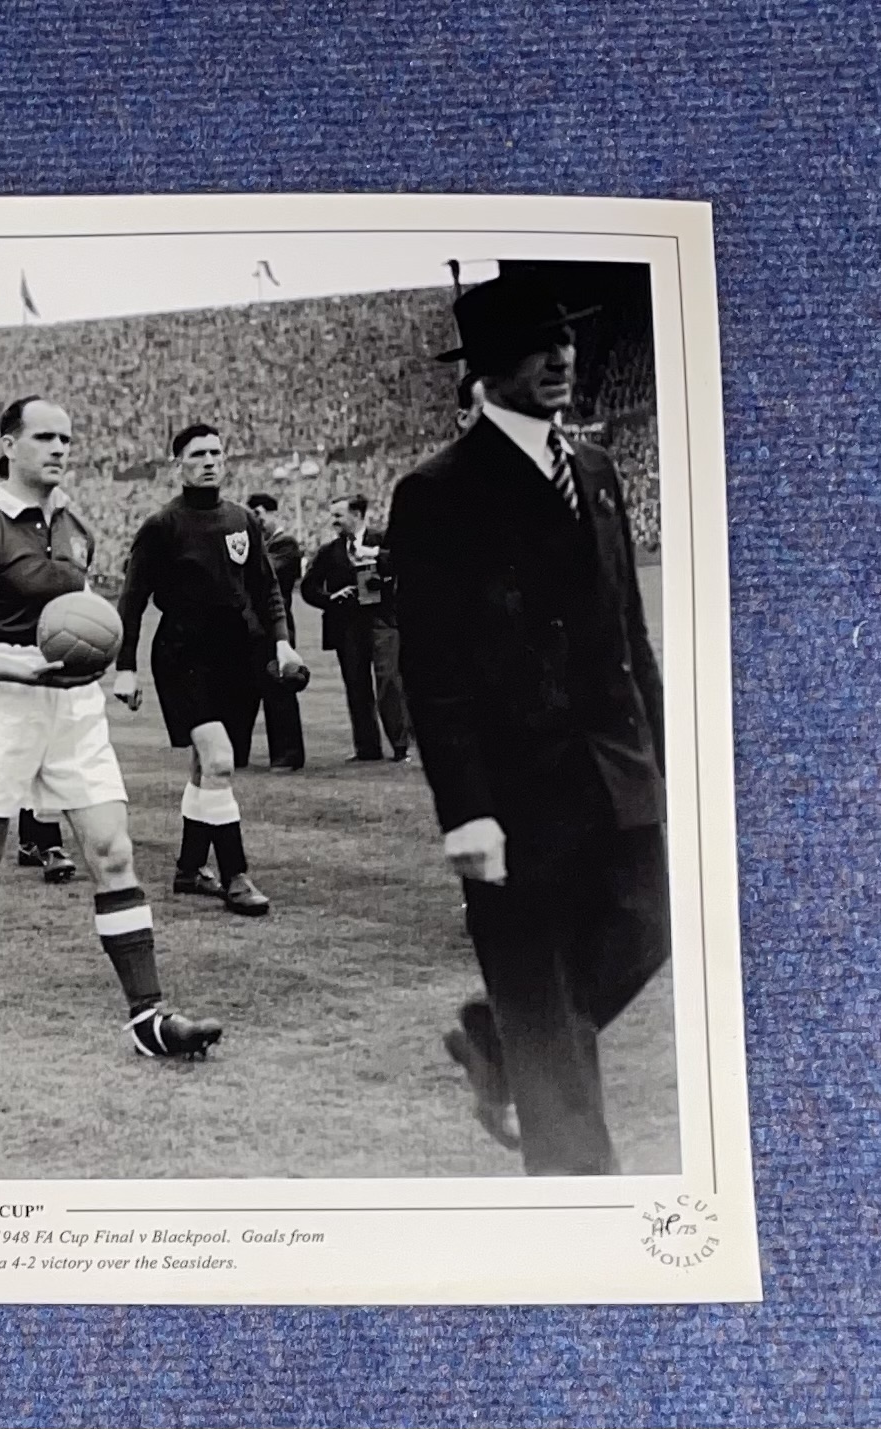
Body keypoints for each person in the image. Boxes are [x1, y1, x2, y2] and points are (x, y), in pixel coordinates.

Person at [387, 273, 666, 1176]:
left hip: (619, 771)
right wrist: (465, 810)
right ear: (484, 370)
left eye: (568, 341)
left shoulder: (594, 469)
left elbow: (629, 632)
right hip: (516, 791)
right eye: (533, 346)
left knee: (657, 925)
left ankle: (499, 1040)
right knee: (547, 1012)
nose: (560, 358)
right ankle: (582, 1210)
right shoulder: (438, 491)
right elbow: (432, 668)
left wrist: (669, 760)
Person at [0, 395, 222, 1058]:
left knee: (113, 850)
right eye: (44, 437)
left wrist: (88, 656)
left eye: (66, 438)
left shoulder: (75, 525)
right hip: (1, 700)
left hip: (74, 703)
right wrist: (25, 670)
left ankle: (149, 1018)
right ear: (9, 445)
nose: (60, 448)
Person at [113, 424, 303, 915]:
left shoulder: (242, 519)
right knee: (218, 760)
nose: (209, 460)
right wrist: (126, 668)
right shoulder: (162, 526)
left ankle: (189, 867)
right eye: (198, 453)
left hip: (240, 656)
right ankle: (236, 875)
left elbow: (268, 591)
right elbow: (131, 602)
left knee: (209, 766)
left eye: (217, 451)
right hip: (183, 656)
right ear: (179, 464)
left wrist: (282, 645)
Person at [301, 494, 412, 763]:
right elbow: (308, 587)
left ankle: (400, 745)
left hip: (382, 622)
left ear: (358, 515)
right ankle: (367, 749)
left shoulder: (383, 540)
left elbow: (407, 563)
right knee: (356, 686)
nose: (334, 521)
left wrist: (375, 556)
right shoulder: (329, 551)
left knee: (388, 680)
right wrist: (332, 597)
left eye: (339, 515)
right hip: (347, 626)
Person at [245, 492, 307, 772]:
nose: (256, 521)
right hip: (254, 628)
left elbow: (262, 575)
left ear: (271, 513)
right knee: (246, 689)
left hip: (276, 627)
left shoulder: (285, 545)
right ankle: (238, 752)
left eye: (258, 515)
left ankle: (288, 755)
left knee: (278, 690)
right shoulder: (263, 545)